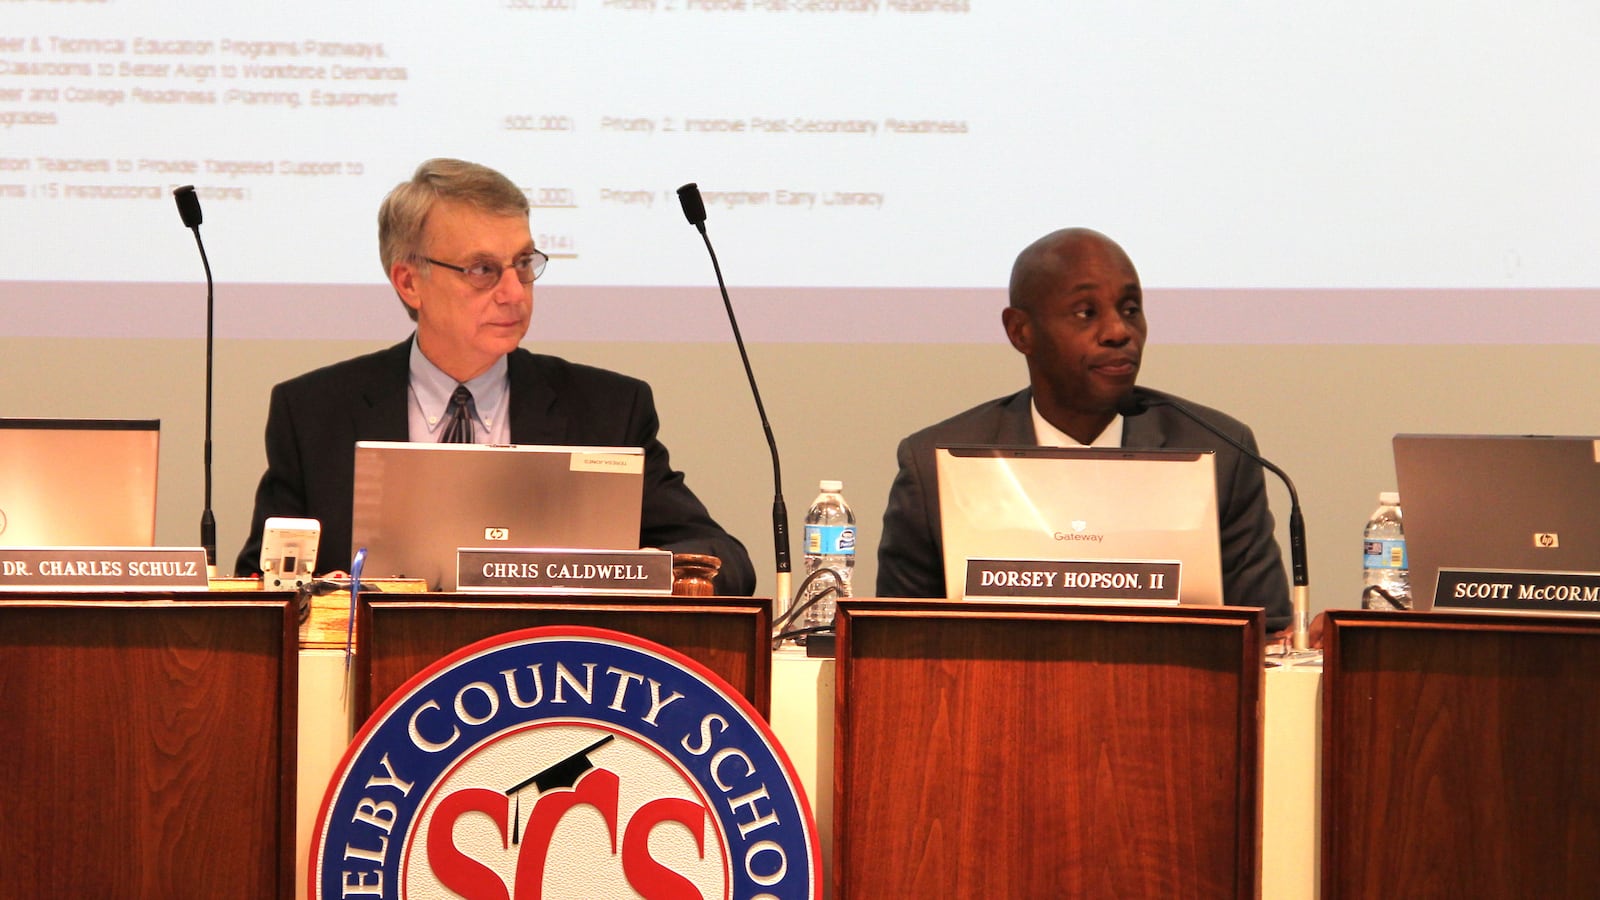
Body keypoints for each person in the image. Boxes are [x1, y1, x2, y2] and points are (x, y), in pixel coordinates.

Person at [235, 158, 755, 594]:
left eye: (524, 264)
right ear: (409, 281)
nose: (514, 292)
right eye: (483, 270)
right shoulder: (313, 414)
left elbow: (722, 559)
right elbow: (260, 581)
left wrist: (625, 572)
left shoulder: (606, 410)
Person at [876, 227, 1290, 631]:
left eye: (1130, 310)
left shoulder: (1218, 451)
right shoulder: (935, 465)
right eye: (1085, 313)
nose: (1118, 332)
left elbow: (1266, 634)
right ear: (1021, 331)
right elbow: (896, 645)